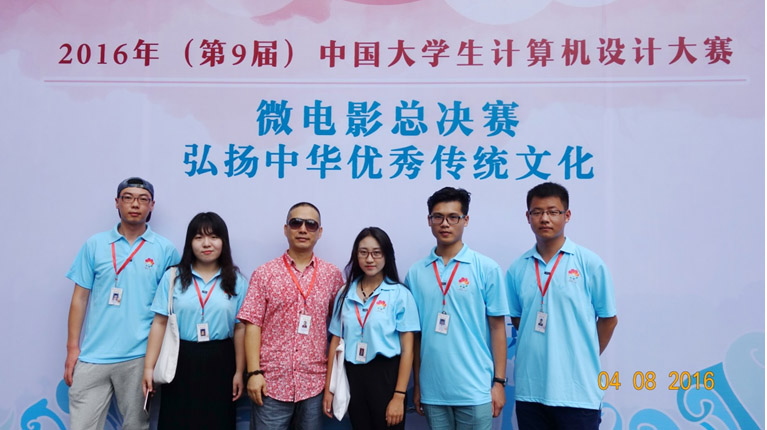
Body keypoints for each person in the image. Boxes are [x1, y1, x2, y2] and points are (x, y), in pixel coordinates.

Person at [64, 177, 179, 430]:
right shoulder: (95, 245)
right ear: (117, 202)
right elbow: (79, 298)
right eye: (128, 198)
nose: (135, 204)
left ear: (152, 205)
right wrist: (73, 349)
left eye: (142, 199)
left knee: (136, 425)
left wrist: (156, 359)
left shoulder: (165, 250)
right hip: (93, 355)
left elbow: (169, 309)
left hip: (140, 356)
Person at [507, 182, 618, 430]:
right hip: (530, 393)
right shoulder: (517, 268)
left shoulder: (589, 263)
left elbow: (609, 320)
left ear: (567, 215)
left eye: (553, 212)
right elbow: (518, 319)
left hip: (577, 393)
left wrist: (584, 354)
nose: (545, 218)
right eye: (537, 212)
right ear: (528, 217)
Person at [404, 187, 509, 430]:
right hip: (433, 391)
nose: (445, 223)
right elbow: (416, 337)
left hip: (475, 390)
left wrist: (499, 383)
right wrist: (418, 385)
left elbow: (497, 328)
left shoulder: (486, 268)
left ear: (466, 220)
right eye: (438, 217)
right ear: (429, 220)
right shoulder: (416, 273)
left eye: (453, 217)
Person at [238, 202, 345, 430]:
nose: (303, 229)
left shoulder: (332, 275)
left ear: (319, 232)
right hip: (271, 383)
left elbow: (339, 327)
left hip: (314, 383)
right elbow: (252, 325)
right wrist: (254, 372)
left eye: (311, 224)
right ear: (286, 229)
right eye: (296, 223)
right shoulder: (264, 273)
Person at [142, 212, 248, 429]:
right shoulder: (173, 277)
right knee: (176, 421)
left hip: (222, 359)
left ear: (223, 242)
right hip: (180, 358)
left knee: (218, 422)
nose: (206, 244)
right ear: (190, 243)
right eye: (199, 237)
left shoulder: (237, 281)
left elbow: (240, 329)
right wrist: (148, 368)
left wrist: (239, 371)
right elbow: (159, 323)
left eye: (214, 237)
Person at [323, 227, 420, 429]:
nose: (369, 259)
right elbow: (335, 341)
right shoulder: (345, 293)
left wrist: (399, 395)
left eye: (377, 253)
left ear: (387, 255)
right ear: (356, 255)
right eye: (363, 252)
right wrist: (329, 389)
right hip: (353, 376)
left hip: (386, 375)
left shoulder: (400, 294)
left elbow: (408, 350)